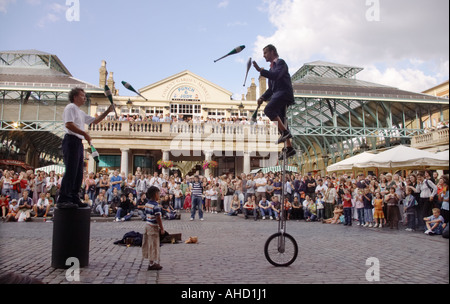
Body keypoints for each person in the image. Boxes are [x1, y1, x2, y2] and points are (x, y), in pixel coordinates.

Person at [57, 87, 113, 208]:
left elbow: (95, 121)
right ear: (75, 96)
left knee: (78, 172)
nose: (84, 98)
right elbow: (69, 124)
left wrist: (108, 111)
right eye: (82, 96)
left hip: (78, 142)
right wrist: (84, 134)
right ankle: (63, 198)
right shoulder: (70, 107)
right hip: (71, 140)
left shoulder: (80, 112)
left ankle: (74, 197)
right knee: (71, 170)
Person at [253, 44, 296, 159]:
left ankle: (285, 133)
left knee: (269, 109)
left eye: (265, 53)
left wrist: (260, 70)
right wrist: (262, 97)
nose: (263, 56)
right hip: (277, 93)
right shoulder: (272, 68)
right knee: (281, 121)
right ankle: (290, 148)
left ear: (272, 52)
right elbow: (271, 89)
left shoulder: (281, 63)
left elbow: (276, 76)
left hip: (284, 93)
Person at [142, 186, 164, 271]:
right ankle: (153, 263)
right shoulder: (156, 206)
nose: (159, 195)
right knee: (154, 245)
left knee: (149, 244)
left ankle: (151, 262)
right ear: (155, 194)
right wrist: (162, 228)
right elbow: (158, 218)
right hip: (153, 227)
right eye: (158, 193)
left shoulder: (147, 204)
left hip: (147, 225)